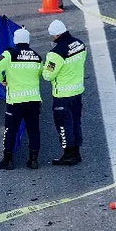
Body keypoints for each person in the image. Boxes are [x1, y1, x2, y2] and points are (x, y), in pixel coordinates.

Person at [0, 27, 43, 170]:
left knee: (11, 130)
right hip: (34, 100)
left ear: (15, 40)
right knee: (34, 130)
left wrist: (1, 79)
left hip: (15, 101)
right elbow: (40, 73)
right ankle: (33, 161)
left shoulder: (9, 54)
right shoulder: (36, 56)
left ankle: (8, 160)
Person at [42, 19, 86, 165]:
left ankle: (68, 155)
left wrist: (44, 66)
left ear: (55, 35)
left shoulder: (56, 53)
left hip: (62, 95)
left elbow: (48, 75)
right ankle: (76, 153)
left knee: (64, 125)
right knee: (76, 122)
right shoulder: (80, 44)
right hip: (77, 91)